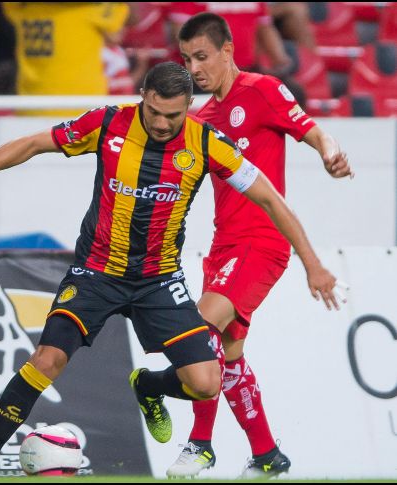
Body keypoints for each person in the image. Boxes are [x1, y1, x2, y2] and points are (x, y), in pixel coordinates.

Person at [0, 61, 343, 477]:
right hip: (96, 272)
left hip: (159, 280)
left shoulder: (208, 142)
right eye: (155, 112)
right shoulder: (109, 123)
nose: (163, 123)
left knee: (205, 381)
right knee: (47, 360)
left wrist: (312, 264)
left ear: (189, 106)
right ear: (143, 99)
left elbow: (271, 201)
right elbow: (33, 143)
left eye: (174, 115)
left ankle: (150, 386)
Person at [167, 12, 353, 479]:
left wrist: (329, 154)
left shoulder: (263, 90)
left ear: (228, 50)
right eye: (187, 59)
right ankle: (268, 455)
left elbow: (313, 131)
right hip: (222, 246)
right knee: (229, 359)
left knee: (199, 334)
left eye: (202, 57)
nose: (195, 69)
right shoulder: (201, 118)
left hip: (261, 243)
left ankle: (200, 444)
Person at [2, 2, 129, 117]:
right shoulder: (90, 9)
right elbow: (128, 20)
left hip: (32, 106)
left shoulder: (22, 8)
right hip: (81, 109)